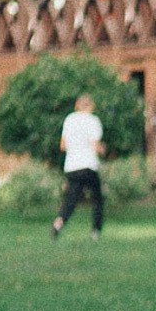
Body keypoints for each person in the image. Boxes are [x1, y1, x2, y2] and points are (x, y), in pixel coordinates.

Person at [52, 94, 105, 238]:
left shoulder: (69, 120)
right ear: (90, 106)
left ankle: (58, 224)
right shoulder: (93, 121)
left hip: (71, 166)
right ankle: (95, 231)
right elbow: (95, 146)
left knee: (70, 200)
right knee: (97, 199)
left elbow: (63, 145)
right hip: (88, 165)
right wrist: (103, 149)